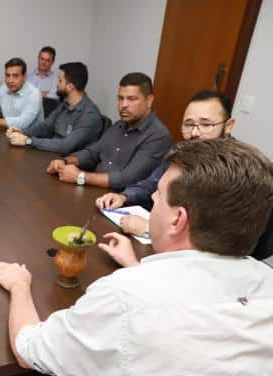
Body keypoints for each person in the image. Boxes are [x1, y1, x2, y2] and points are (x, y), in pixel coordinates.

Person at [0, 138, 273, 376]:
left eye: (159, 195)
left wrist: (20, 285)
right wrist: (136, 266)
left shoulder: (125, 295)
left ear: (177, 220)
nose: (152, 199)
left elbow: (30, 351)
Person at [95, 90, 273, 260]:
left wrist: (151, 228)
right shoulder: (185, 153)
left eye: (206, 124)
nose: (195, 133)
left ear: (228, 126)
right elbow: (153, 183)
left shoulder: (238, 172)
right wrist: (124, 196)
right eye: (189, 124)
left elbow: (228, 242)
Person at [46, 72, 171, 190]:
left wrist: (81, 177)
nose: (124, 105)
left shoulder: (158, 136)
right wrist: (65, 161)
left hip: (119, 202)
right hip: (94, 190)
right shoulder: (119, 125)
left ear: (149, 100)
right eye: (121, 98)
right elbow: (93, 153)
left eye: (132, 99)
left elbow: (127, 179)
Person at [6, 62, 102, 155]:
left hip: (67, 164)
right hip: (51, 154)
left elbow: (66, 145)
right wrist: (23, 132)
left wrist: (28, 141)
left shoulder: (90, 115)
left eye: (60, 81)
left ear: (70, 87)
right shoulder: (65, 104)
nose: (57, 84)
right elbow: (46, 126)